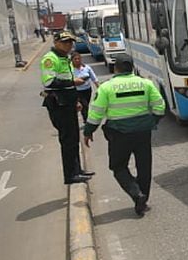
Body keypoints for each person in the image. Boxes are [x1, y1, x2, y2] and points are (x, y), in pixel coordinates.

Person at [82, 54, 165, 217]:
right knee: (144, 167)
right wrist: (150, 122)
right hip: (142, 133)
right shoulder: (146, 84)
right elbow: (160, 107)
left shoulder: (106, 87)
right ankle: (143, 201)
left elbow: (96, 112)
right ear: (132, 67)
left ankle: (136, 194)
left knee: (118, 166)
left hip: (119, 134)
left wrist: (88, 131)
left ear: (115, 68)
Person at [41, 31, 93, 185]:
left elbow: (67, 80)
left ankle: (77, 170)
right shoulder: (50, 59)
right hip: (59, 105)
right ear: (56, 42)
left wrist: (76, 99)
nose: (69, 45)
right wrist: (74, 83)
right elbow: (49, 82)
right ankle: (70, 175)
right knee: (68, 141)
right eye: (65, 42)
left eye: (70, 42)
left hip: (68, 104)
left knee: (74, 139)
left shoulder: (64, 58)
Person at [71, 52, 99, 123]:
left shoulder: (86, 68)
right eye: (75, 59)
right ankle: (87, 120)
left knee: (86, 105)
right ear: (72, 60)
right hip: (78, 91)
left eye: (78, 58)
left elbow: (94, 78)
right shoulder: (71, 70)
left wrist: (99, 88)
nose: (77, 60)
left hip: (87, 90)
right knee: (84, 106)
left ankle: (85, 117)